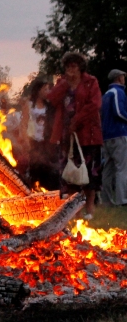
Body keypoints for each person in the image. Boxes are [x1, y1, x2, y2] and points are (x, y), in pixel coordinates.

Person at [47, 52, 103, 218]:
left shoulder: (90, 82)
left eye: (74, 65)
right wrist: (65, 84)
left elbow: (94, 104)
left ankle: (90, 208)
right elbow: (52, 99)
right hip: (67, 135)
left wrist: (76, 121)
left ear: (80, 67)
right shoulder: (62, 83)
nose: (70, 69)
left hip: (88, 134)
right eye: (68, 66)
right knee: (69, 172)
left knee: (89, 172)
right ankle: (73, 210)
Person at [21, 77, 59, 190]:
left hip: (46, 142)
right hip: (33, 141)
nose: (48, 91)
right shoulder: (29, 105)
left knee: (48, 169)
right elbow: (24, 123)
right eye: (45, 89)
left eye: (48, 89)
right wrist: (25, 140)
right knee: (35, 168)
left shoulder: (50, 106)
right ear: (38, 90)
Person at [101, 69, 127, 206]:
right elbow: (119, 111)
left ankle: (106, 200)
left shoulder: (105, 94)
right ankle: (122, 199)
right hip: (118, 134)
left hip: (106, 136)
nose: (124, 79)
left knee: (108, 169)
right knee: (121, 168)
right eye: (123, 76)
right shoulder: (118, 92)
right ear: (118, 78)